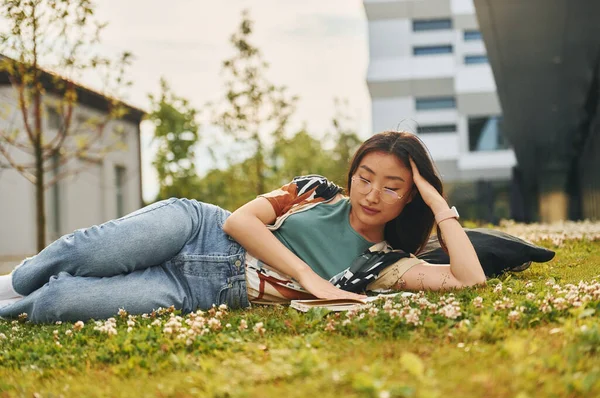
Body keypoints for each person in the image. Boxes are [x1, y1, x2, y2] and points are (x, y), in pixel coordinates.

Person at [0, 131, 486, 322]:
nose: (371, 194)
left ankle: (14, 301)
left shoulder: (384, 266)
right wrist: (310, 278)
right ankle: (12, 281)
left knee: (57, 303)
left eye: (393, 187)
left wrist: (438, 202)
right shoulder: (314, 190)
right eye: (365, 177)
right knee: (77, 254)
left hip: (197, 291)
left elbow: (468, 280)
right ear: (352, 174)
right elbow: (238, 222)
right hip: (194, 228)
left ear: (411, 198)